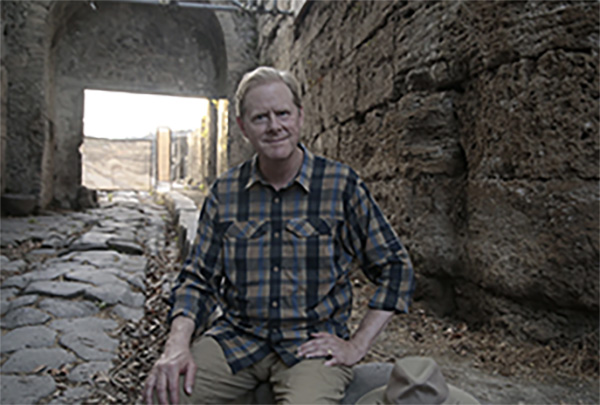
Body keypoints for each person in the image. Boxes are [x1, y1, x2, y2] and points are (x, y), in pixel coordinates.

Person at [143, 66, 415, 404]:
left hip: (310, 346)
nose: (274, 126)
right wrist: (176, 346)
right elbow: (198, 279)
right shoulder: (225, 193)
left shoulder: (340, 185)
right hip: (237, 339)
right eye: (260, 118)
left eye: (283, 113)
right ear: (242, 127)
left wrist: (356, 345)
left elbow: (396, 268)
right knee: (163, 396)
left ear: (300, 117)